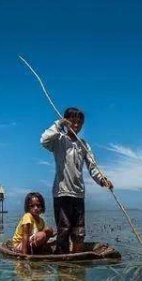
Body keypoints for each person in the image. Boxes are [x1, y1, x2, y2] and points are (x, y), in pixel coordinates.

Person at [41, 107, 113, 254]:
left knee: (79, 232)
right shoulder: (59, 140)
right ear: (67, 122)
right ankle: (63, 263)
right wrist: (59, 123)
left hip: (79, 194)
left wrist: (102, 180)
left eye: (79, 122)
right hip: (62, 193)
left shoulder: (83, 144)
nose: (76, 125)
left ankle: (77, 263)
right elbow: (44, 140)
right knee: (64, 229)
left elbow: (93, 167)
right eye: (72, 121)